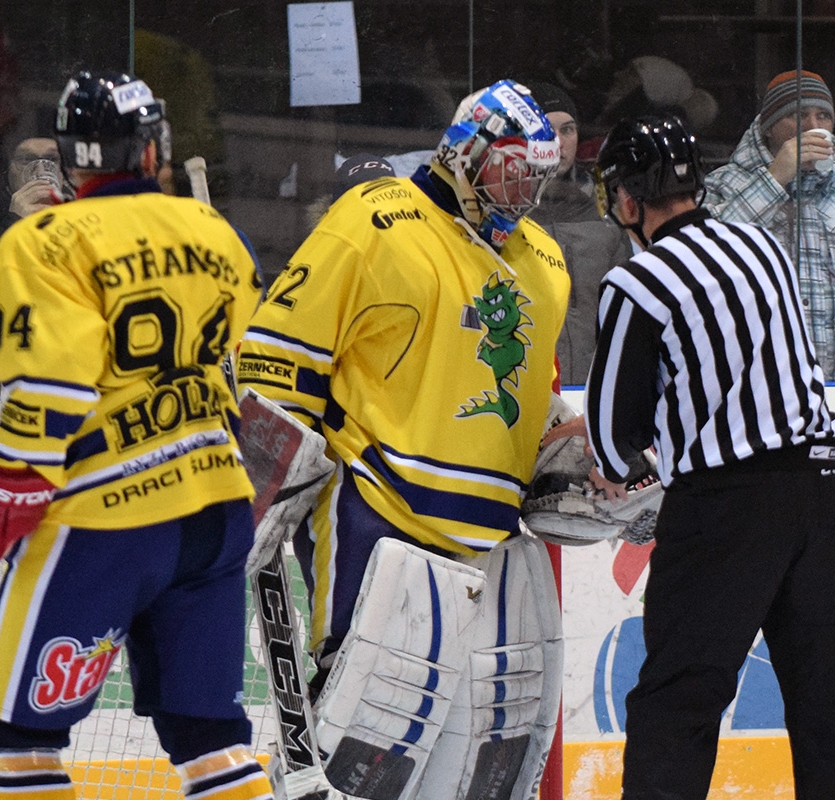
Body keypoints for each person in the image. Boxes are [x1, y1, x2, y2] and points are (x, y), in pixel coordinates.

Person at [0, 70, 271, 800]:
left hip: (106, 517)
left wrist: (13, 480)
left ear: (70, 156)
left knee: (22, 740)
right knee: (210, 735)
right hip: (217, 508)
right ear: (152, 150)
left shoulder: (43, 242)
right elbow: (251, 349)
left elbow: (52, 386)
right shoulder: (214, 229)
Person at [237, 79, 568, 800]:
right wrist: (261, 482)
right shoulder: (375, 219)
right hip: (378, 519)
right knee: (368, 755)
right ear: (464, 152)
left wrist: (575, 463)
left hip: (492, 544)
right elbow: (275, 355)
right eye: (513, 172)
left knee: (473, 769)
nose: (525, 195)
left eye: (537, 178)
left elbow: (535, 405)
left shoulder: (545, 261)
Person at [586, 115, 835, 800]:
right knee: (834, 708)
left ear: (627, 200)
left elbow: (610, 437)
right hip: (827, 496)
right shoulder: (762, 246)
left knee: (677, 706)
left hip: (726, 514)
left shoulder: (640, 281)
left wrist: (622, 468)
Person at [704, 69, 835, 381]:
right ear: (768, 127)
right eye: (798, 115)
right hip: (757, 396)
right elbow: (702, 260)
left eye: (823, 116)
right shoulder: (723, 185)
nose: (813, 127)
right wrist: (774, 179)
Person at [524, 81, 632, 385]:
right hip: (526, 393)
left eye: (568, 130)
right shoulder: (502, 219)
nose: (558, 142)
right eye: (546, 131)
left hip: (594, 390)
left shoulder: (608, 212)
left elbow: (623, 315)